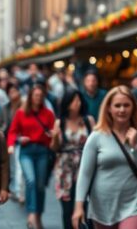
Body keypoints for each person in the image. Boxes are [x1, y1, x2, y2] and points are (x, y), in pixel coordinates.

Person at [73, 86, 137, 229]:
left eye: (126, 105)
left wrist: (135, 147)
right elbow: (85, 173)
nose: (122, 110)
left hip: (134, 204)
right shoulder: (97, 136)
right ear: (108, 109)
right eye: (117, 105)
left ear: (133, 108)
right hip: (102, 206)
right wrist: (79, 206)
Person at [8, 82, 56, 229]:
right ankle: (31, 214)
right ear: (30, 96)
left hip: (42, 151)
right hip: (26, 150)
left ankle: (38, 216)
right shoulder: (21, 112)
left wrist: (51, 135)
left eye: (41, 95)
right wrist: (15, 141)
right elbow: (12, 132)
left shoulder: (48, 114)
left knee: (40, 186)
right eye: (36, 95)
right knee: (31, 180)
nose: (38, 98)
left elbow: (53, 134)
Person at [51, 88, 95, 229]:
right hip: (65, 170)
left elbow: (97, 142)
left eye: (79, 100)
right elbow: (54, 148)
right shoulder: (60, 123)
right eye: (74, 100)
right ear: (67, 103)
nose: (78, 103)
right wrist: (55, 137)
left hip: (85, 166)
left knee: (87, 206)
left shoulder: (88, 120)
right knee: (67, 209)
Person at [2, 81, 25, 201]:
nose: (13, 94)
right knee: (12, 167)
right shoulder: (5, 108)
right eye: (10, 92)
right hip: (8, 140)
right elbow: (0, 125)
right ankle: (15, 189)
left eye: (15, 91)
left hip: (21, 140)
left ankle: (19, 191)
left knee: (19, 167)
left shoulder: (25, 106)